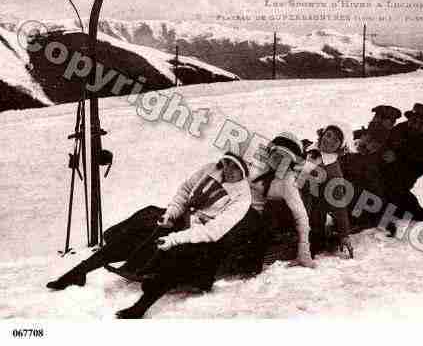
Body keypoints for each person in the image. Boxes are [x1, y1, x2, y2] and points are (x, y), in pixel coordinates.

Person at [47, 152, 253, 317]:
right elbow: (185, 191)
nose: (229, 170)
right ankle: (79, 272)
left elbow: (214, 231)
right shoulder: (211, 169)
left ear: (245, 172)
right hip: (183, 220)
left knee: (178, 255)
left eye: (237, 167)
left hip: (202, 236)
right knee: (139, 229)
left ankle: (141, 307)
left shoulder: (243, 196)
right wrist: (171, 213)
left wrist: (175, 238)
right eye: (227, 162)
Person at [250, 132, 316, 268]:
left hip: (275, 223)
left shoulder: (287, 180)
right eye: (277, 155)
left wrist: (304, 251)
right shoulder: (257, 169)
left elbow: (301, 216)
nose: (279, 161)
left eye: (285, 159)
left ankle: (282, 245)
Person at [381, 103, 423, 230]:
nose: (416, 126)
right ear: (409, 119)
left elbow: (408, 176)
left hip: (398, 188)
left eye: (421, 123)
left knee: (421, 215)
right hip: (376, 177)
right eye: (414, 121)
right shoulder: (396, 130)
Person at [302, 125, 353, 257]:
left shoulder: (333, 171)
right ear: (322, 134)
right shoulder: (306, 149)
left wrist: (344, 234)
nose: (329, 141)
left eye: (335, 140)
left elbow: (339, 204)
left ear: (340, 147)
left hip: (312, 213)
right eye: (328, 135)